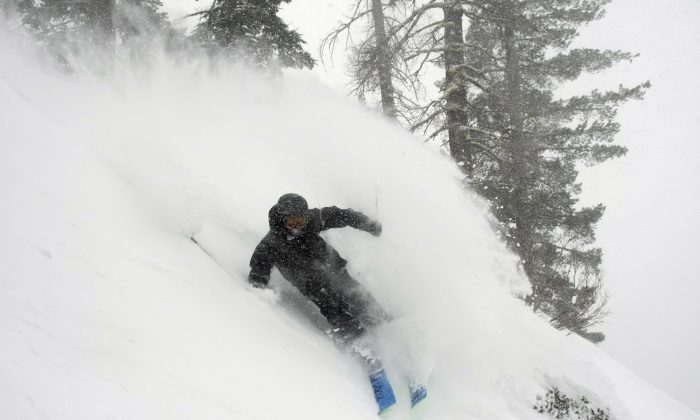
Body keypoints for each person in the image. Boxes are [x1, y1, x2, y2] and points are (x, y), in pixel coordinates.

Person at [248, 193, 387, 344]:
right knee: (333, 309)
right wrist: (259, 284)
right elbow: (259, 266)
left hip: (331, 267)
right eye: (292, 221)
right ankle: (361, 344)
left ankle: (385, 324)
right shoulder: (272, 243)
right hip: (309, 284)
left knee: (356, 295)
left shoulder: (313, 220)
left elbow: (340, 215)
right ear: (282, 218)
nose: (296, 226)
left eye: (300, 220)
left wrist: (368, 224)